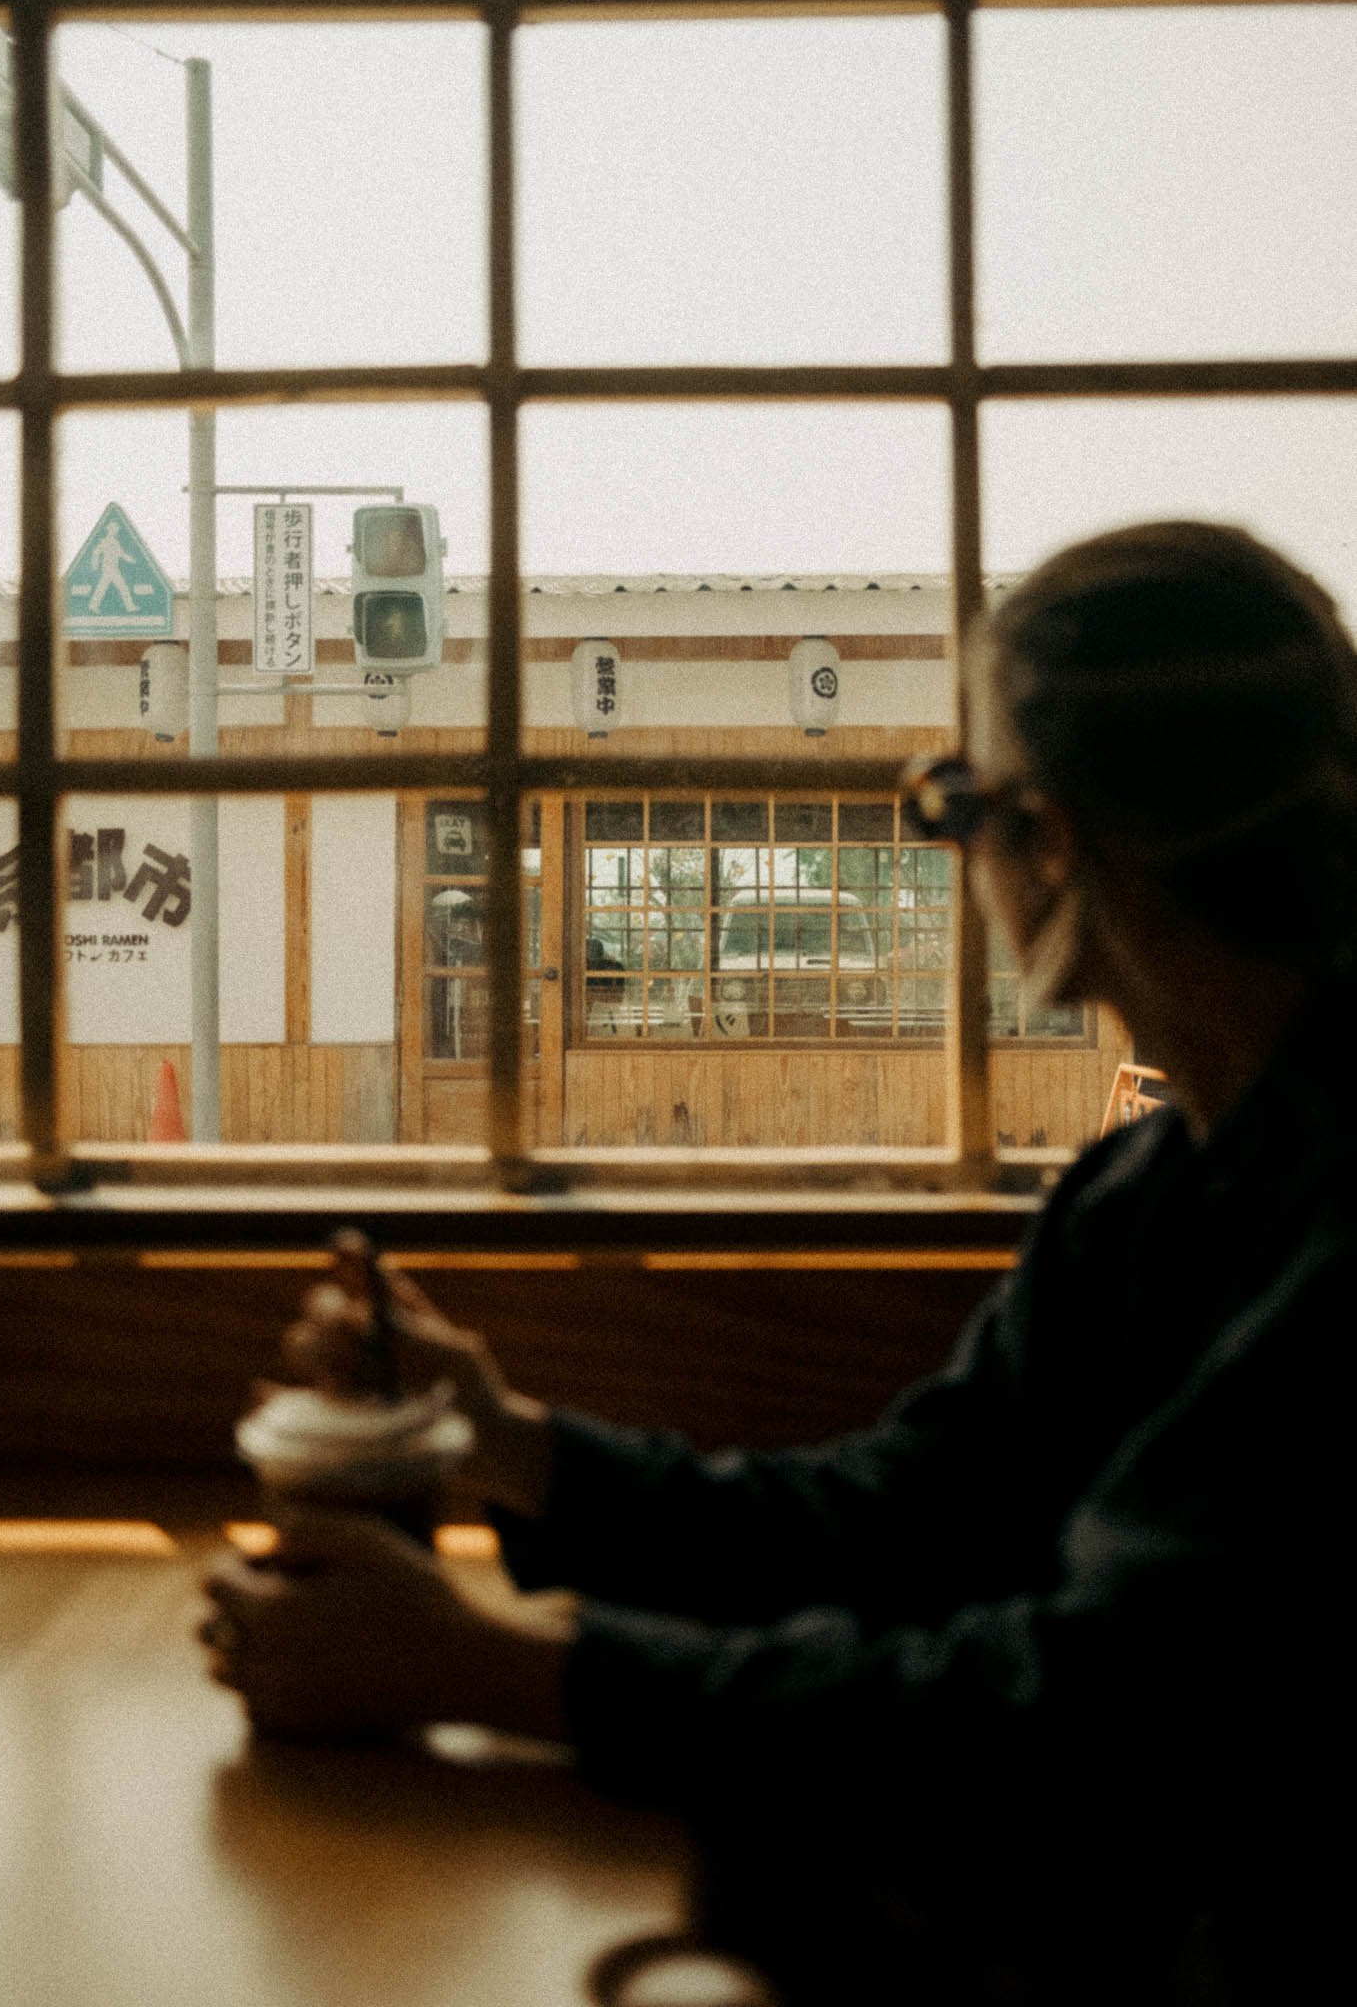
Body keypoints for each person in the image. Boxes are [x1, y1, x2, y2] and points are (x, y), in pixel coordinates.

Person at [201, 521, 1355, 2005]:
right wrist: (506, 1444)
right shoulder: (1158, 1182)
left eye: (947, 801)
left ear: (1047, 843)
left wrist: (499, 1670)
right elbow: (905, 1523)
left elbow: (1091, 1717)